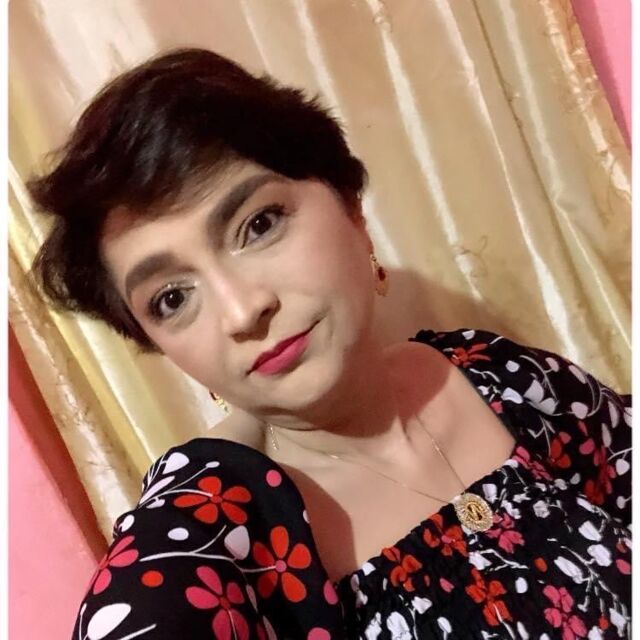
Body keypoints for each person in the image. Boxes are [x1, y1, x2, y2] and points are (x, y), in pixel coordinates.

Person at [28, 48, 630, 640]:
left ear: (351, 207)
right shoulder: (214, 533)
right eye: (171, 298)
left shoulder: (499, 375)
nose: (242, 311)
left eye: (258, 224)